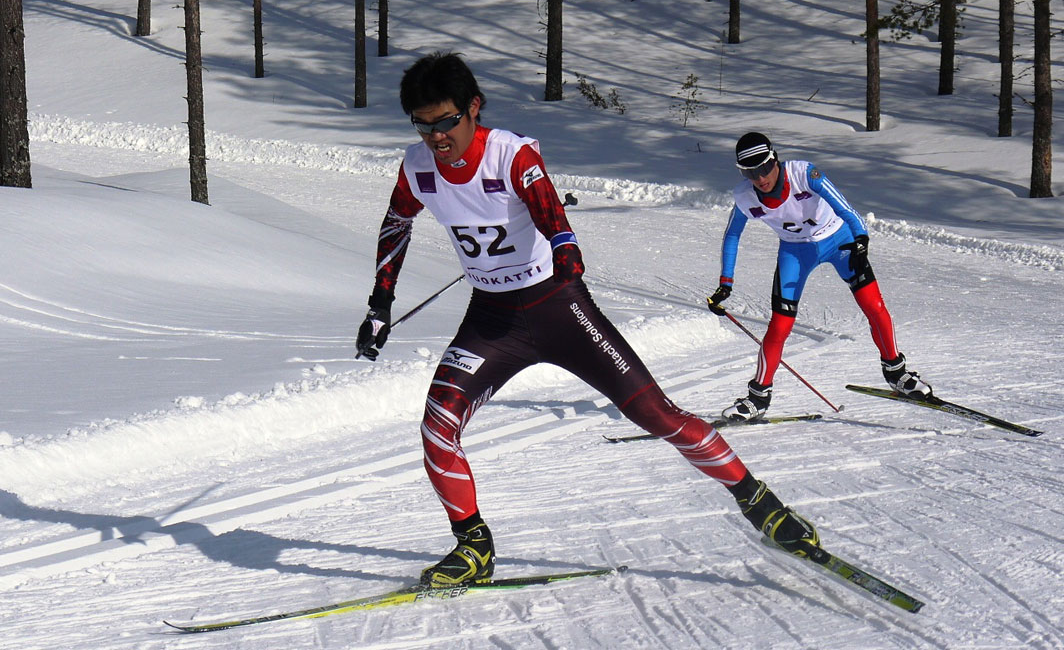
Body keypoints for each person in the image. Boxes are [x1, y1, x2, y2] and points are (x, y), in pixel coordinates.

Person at [355, 52, 825, 587]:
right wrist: (380, 304)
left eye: (446, 121)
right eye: (422, 125)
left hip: (558, 307)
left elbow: (549, 211)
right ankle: (474, 546)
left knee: (656, 414)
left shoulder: (509, 154)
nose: (436, 137)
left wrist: (565, 249)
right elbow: (397, 224)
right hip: (492, 319)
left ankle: (761, 505)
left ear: (473, 107)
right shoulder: (416, 166)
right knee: (437, 425)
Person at [708, 132, 932, 421]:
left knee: (874, 306)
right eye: (750, 172)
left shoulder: (804, 174)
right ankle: (758, 398)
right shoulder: (744, 197)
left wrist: (861, 239)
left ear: (775, 160)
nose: (760, 178)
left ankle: (896, 373)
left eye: (764, 167)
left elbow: (847, 210)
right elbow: (732, 235)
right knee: (779, 326)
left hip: (839, 241)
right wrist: (725, 283)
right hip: (795, 252)